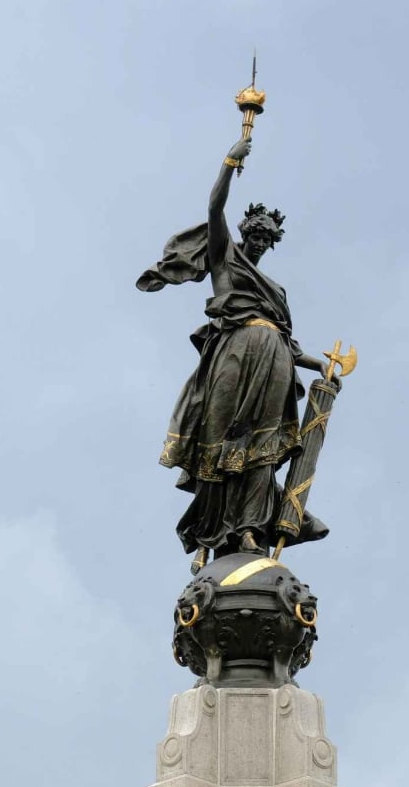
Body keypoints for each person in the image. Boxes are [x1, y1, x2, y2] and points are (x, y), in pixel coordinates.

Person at [137, 138, 329, 574]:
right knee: (218, 435)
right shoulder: (225, 257)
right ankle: (209, 533)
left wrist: (322, 366)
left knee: (263, 444)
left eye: (267, 235)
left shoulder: (275, 290)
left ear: (274, 240)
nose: (259, 238)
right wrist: (229, 162)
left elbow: (286, 337)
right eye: (254, 231)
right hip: (234, 352)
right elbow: (213, 209)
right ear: (244, 230)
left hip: (274, 357)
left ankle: (249, 527)